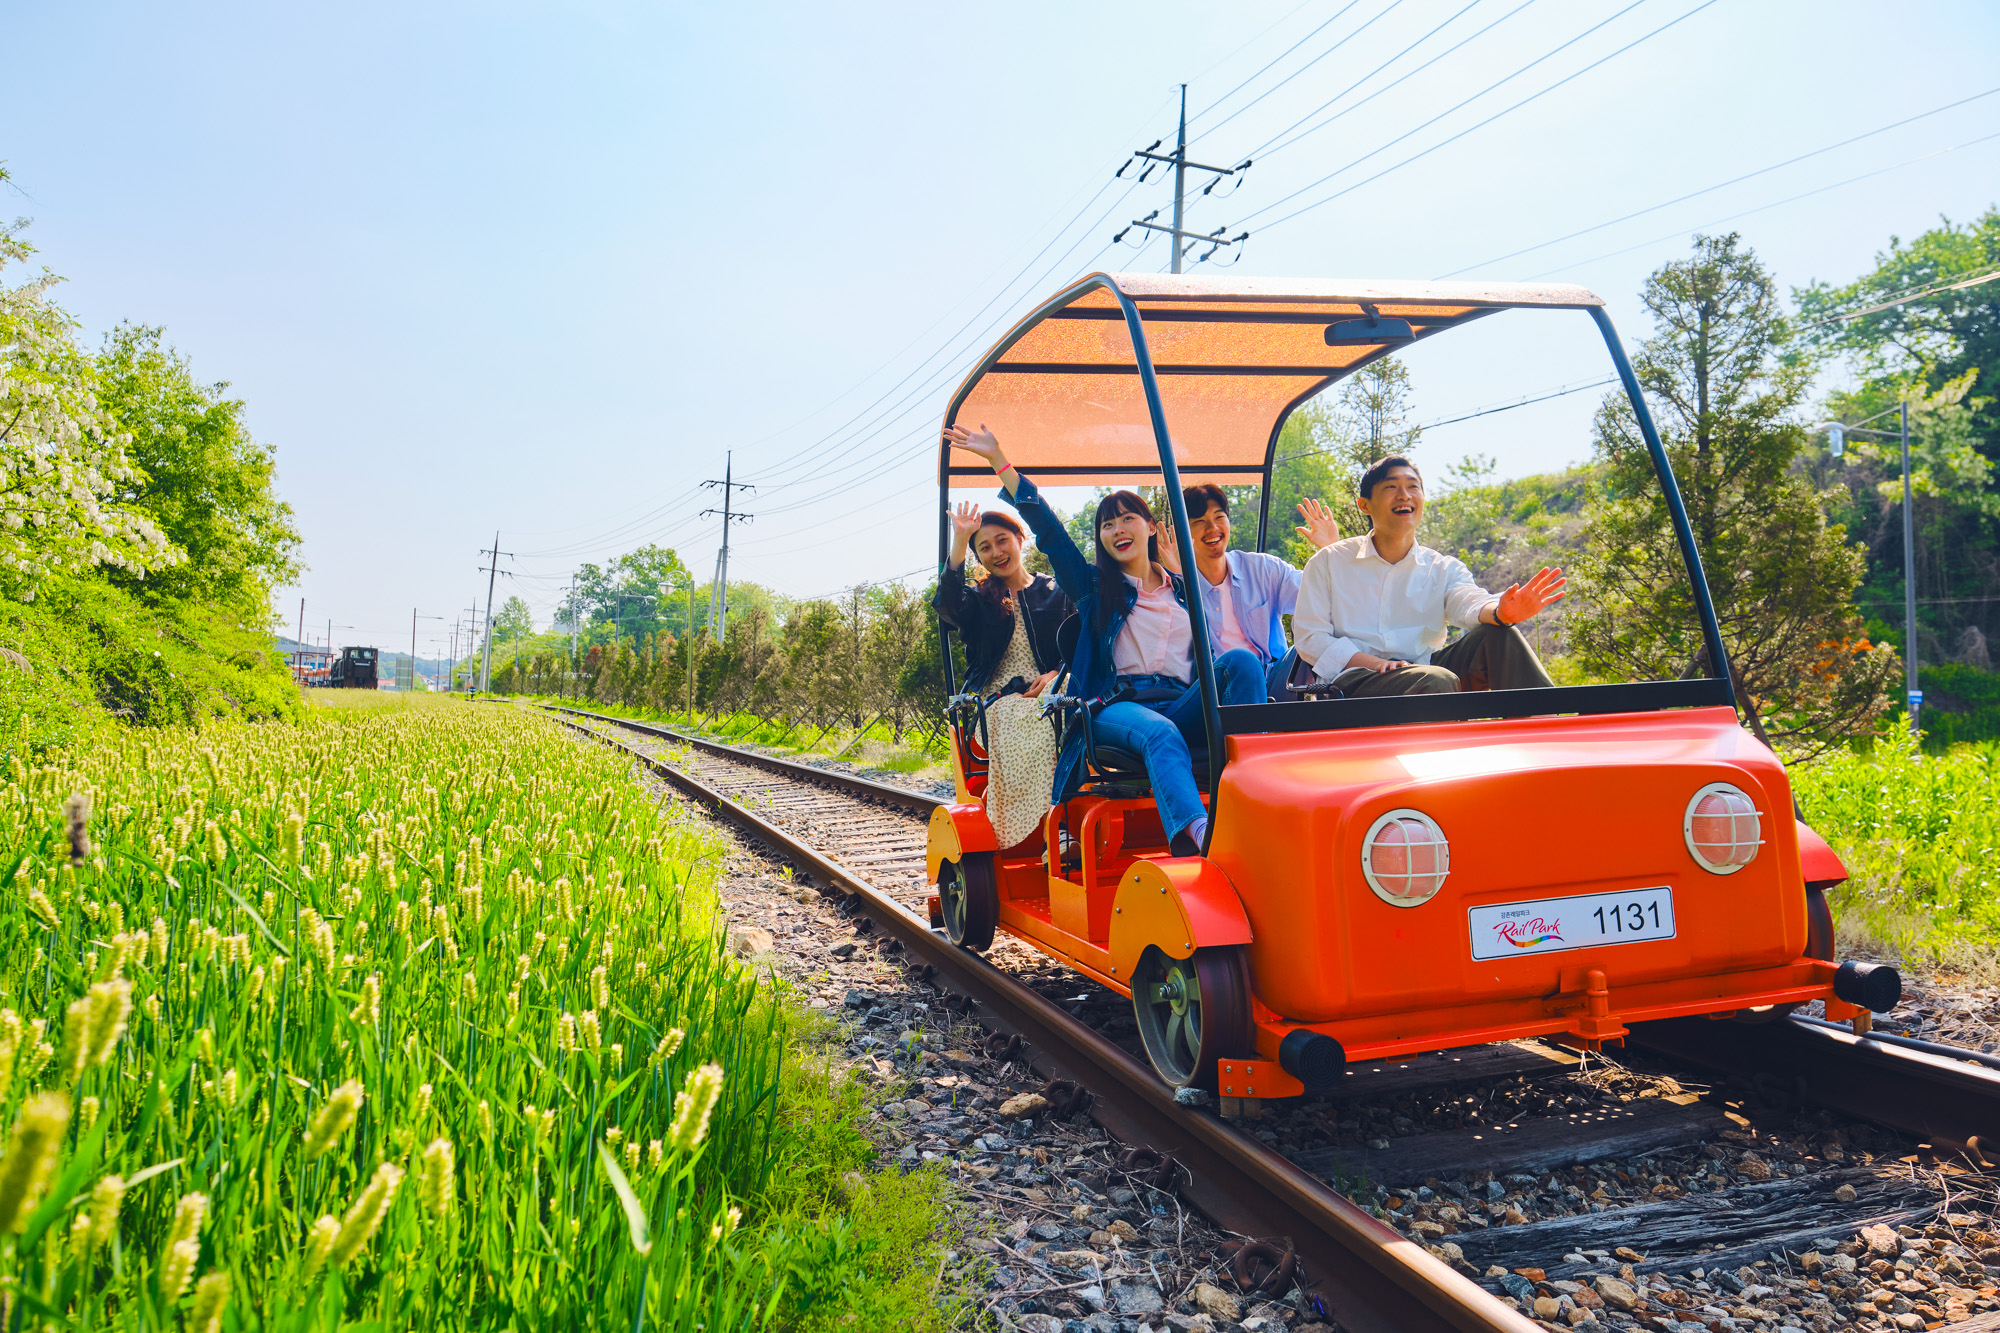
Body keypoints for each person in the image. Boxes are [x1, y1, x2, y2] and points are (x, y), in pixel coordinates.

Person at [944, 423, 1264, 857]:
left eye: (1128, 518)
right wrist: (1000, 461)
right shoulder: (1094, 587)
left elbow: (1217, 645)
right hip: (1116, 706)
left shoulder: (1183, 588)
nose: (1117, 529)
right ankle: (1201, 837)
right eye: (1107, 525)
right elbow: (1052, 533)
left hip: (1178, 699)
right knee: (1161, 734)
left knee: (1243, 663)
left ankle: (1258, 797)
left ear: (1151, 527)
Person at [1292, 456, 1566, 695]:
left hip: (1426, 671)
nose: (1405, 495)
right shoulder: (1329, 562)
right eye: (1391, 487)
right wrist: (1373, 663)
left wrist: (1500, 611)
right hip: (1356, 680)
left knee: (1501, 635)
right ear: (1365, 505)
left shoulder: (1443, 567)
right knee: (1436, 680)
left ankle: (1549, 732)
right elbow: (1311, 638)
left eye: (1413, 487)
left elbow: (1467, 600)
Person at [934, 504, 1072, 850]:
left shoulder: (1055, 590)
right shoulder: (978, 599)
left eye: (1002, 540)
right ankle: (1056, 829)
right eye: (984, 547)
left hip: (1056, 685)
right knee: (1038, 716)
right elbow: (947, 606)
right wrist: (959, 540)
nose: (996, 552)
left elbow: (1079, 646)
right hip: (999, 700)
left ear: (1020, 539)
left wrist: (1055, 673)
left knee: (1078, 704)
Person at [1155, 485, 1344, 688]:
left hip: (1274, 679)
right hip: (1218, 687)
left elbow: (1321, 597)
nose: (1212, 528)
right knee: (1242, 662)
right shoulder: (1177, 587)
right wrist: (1179, 580)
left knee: (1312, 643)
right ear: (1183, 531)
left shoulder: (1264, 569)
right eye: (1199, 522)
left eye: (1219, 517)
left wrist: (1331, 550)